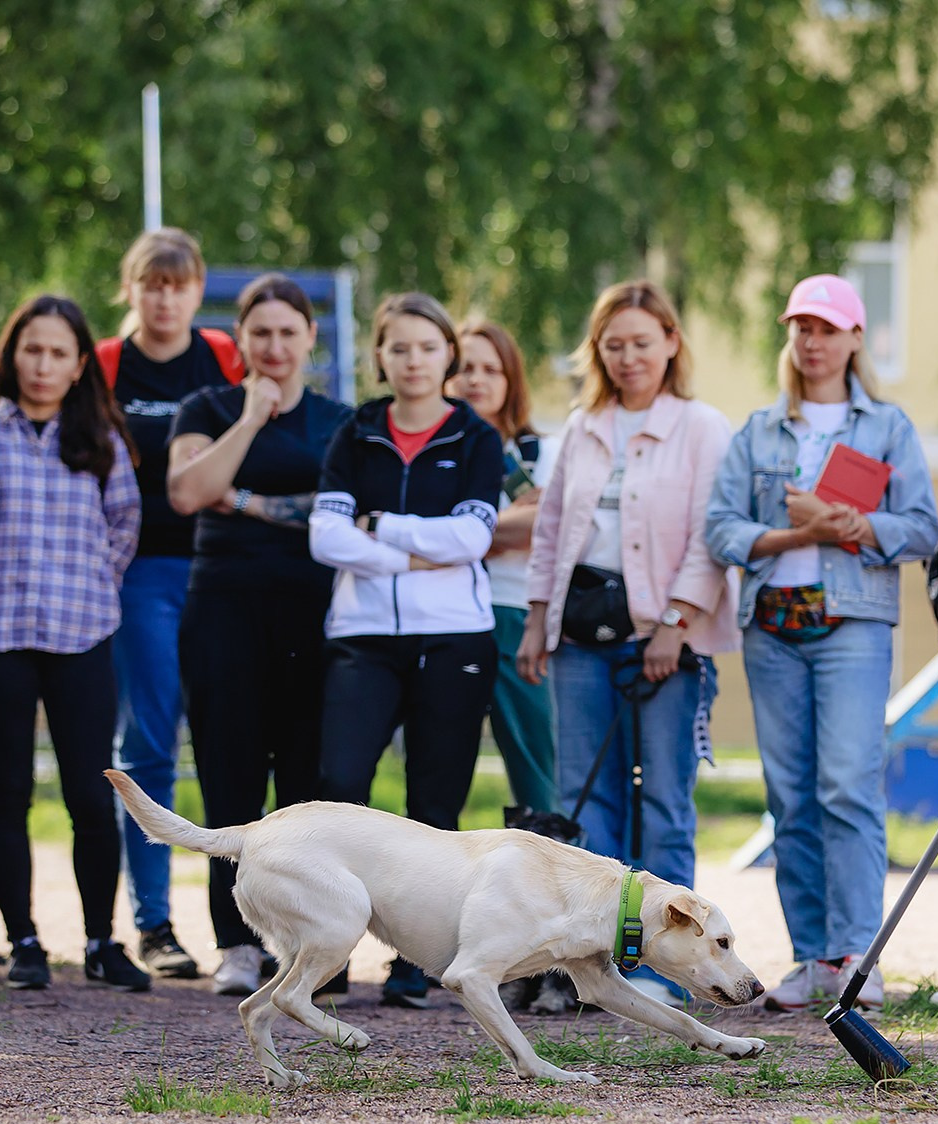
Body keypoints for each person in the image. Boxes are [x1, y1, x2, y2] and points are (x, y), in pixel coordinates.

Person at [706, 273, 938, 1013]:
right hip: (774, 624)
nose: (811, 341)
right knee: (792, 797)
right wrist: (798, 533)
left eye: (826, 328)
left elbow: (923, 527)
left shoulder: (888, 427)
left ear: (855, 338)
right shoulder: (759, 429)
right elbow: (721, 528)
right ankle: (810, 956)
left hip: (852, 627)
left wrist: (850, 524)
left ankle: (854, 957)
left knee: (846, 784)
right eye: (801, 327)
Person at [520, 279, 739, 1008]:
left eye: (642, 342)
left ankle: (668, 968)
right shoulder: (581, 426)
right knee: (589, 805)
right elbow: (550, 532)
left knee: (665, 803)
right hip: (581, 633)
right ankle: (597, 969)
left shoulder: (703, 427)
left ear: (671, 343)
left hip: (663, 637)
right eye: (613, 345)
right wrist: (536, 618)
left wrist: (676, 622)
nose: (628, 357)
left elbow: (714, 531)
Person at [308, 293, 503, 1008]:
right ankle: (325, 954)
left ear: (448, 353)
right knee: (340, 783)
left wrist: (382, 525)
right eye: (398, 348)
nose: (413, 360)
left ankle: (415, 963)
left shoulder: (477, 437)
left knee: (434, 802)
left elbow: (473, 539)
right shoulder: (354, 432)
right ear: (379, 356)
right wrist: (411, 555)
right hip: (363, 637)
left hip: (454, 637)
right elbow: (324, 537)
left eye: (426, 346)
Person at [0, 295, 144, 991]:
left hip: (80, 631)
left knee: (91, 794)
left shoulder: (102, 441)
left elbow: (124, 525)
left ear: (79, 364)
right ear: (11, 355)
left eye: (59, 352)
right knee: (6, 792)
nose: (43, 364)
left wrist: (92, 581)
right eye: (32, 349)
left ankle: (101, 939)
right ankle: (23, 939)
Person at [172, 275, 351, 997]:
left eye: (288, 332)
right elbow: (187, 491)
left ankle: (310, 948)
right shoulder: (206, 407)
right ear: (240, 340)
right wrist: (247, 422)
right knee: (231, 781)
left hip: (315, 615)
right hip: (224, 612)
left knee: (308, 792)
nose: (275, 347)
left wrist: (240, 495)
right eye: (261, 333)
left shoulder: (340, 419)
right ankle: (236, 946)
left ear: (310, 338)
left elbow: (342, 512)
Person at [100, 228, 245, 981]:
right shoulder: (105, 364)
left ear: (196, 290)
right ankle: (154, 922)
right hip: (140, 567)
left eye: (178, 284)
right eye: (151, 284)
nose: (164, 297)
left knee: (231, 746)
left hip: (220, 564)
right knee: (150, 739)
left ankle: (249, 929)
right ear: (132, 289)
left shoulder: (223, 356)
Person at [451, 319, 560, 816]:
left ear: (511, 378)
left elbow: (550, 527)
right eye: (464, 368)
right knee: (442, 768)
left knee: (538, 770)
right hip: (447, 618)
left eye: (490, 368)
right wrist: (505, 527)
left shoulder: (542, 452)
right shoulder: (434, 451)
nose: (476, 379)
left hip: (517, 615)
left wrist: (461, 535)